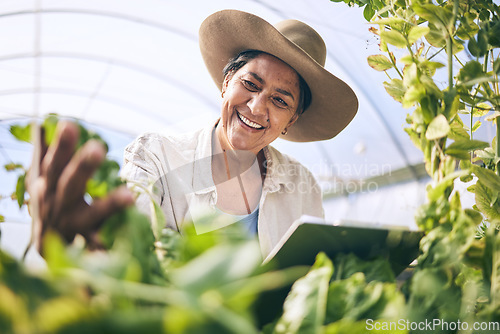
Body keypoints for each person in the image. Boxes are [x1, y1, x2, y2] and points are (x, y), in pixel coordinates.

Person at [28, 10, 358, 258]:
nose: (257, 107)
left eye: (280, 100)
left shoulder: (303, 186)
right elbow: (125, 248)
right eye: (250, 84)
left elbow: (309, 273)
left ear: (291, 120)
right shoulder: (156, 157)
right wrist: (82, 248)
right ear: (227, 82)